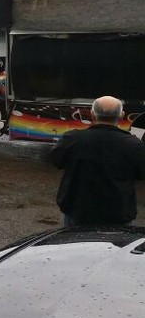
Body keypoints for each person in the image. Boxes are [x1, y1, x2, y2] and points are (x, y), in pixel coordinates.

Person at [51, 96, 145, 226]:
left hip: (78, 210)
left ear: (92, 114)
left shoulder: (72, 139)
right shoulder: (134, 145)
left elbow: (56, 161)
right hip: (118, 213)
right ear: (122, 116)